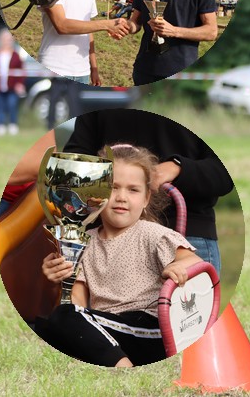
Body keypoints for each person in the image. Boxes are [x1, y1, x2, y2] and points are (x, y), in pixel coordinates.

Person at [35, 143, 202, 367]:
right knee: (48, 326)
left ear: (145, 199)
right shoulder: (83, 240)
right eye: (113, 187)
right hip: (106, 328)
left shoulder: (152, 234)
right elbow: (77, 301)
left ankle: (122, 368)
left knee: (64, 319)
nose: (122, 197)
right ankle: (113, 359)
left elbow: (195, 263)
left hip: (150, 329)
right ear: (95, 194)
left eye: (133, 190)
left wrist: (180, 266)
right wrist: (60, 279)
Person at [63, 109, 233, 273]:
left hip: (186, 233)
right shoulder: (107, 97)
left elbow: (225, 173)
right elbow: (74, 163)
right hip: (106, 237)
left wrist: (178, 168)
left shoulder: (198, 106)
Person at [0, 28, 26, 136]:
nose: (6, 41)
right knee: (0, 106)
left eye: (9, 39)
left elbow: (21, 71)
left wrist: (20, 84)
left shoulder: (16, 55)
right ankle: (1, 125)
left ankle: (13, 124)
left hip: (12, 86)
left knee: (12, 105)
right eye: (4, 39)